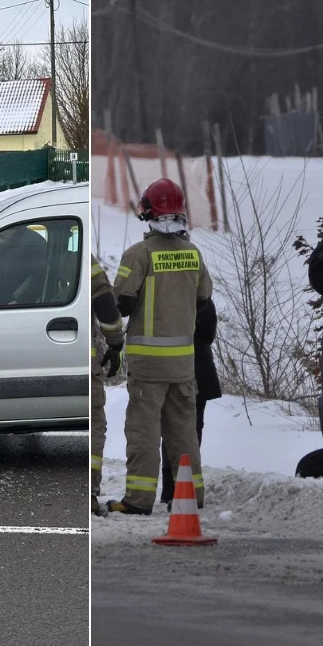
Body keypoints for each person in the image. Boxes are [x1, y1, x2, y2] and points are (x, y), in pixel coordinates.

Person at [104, 178, 212, 515]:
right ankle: (190, 497)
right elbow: (204, 298)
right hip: (183, 364)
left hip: (149, 366)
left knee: (143, 432)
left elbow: (119, 302)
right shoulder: (193, 253)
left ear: (147, 211)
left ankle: (138, 500)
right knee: (183, 433)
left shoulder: (138, 254)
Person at [158, 296, 221, 509]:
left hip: (174, 368)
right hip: (197, 369)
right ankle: (185, 488)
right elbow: (208, 334)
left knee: (171, 429)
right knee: (191, 430)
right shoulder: (201, 300)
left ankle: (171, 488)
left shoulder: (166, 296)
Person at [91, 254, 125, 517]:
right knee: (92, 421)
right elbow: (104, 301)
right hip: (80, 359)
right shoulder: (81, 257)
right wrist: (115, 343)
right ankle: (88, 491)